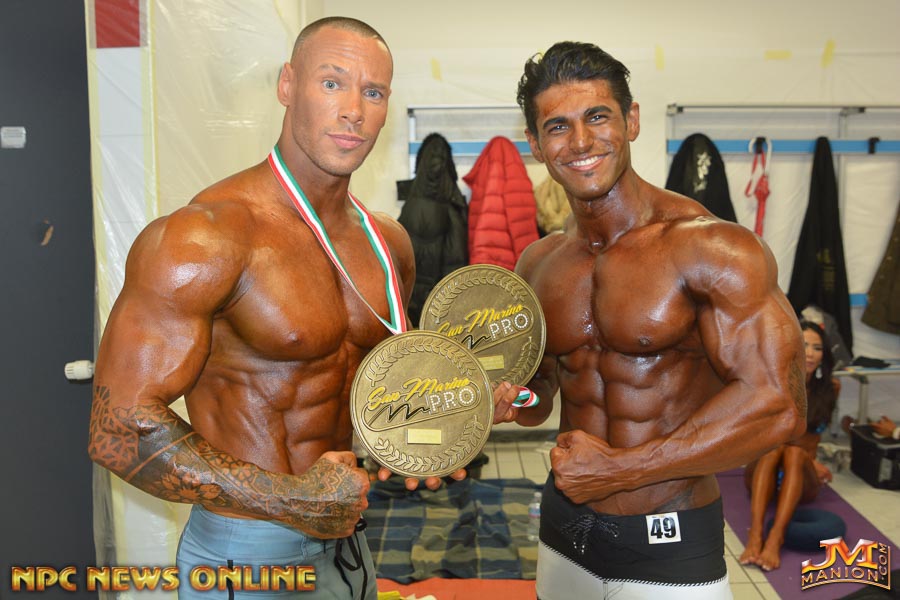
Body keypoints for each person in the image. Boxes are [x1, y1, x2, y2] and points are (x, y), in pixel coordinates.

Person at [87, 17, 520, 599]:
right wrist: (292, 499)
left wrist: (441, 428)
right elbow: (116, 428)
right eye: (332, 83)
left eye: (373, 92)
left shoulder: (387, 243)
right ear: (288, 85)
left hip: (351, 544)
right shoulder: (207, 236)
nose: (354, 111)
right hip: (248, 552)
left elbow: (377, 387)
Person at [491, 41, 806, 599]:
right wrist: (508, 398)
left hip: (669, 534)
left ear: (631, 120)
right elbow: (540, 396)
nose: (580, 142)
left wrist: (624, 470)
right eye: (558, 127)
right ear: (535, 145)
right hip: (565, 530)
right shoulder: (538, 264)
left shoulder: (712, 248)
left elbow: (780, 406)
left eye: (597, 117)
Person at [739, 321, 839, 571]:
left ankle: (775, 538)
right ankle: (755, 535)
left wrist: (811, 461)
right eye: (804, 345)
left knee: (795, 453)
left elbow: (809, 440)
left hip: (802, 477)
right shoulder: (774, 383)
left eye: (817, 348)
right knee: (774, 449)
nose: (811, 353)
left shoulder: (831, 388)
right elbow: (762, 435)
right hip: (765, 470)